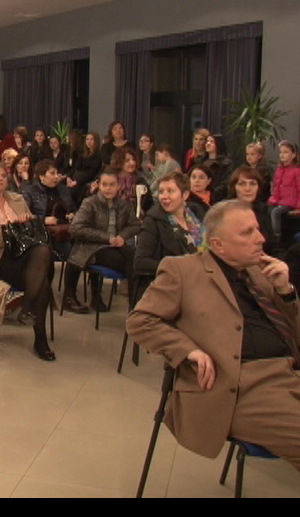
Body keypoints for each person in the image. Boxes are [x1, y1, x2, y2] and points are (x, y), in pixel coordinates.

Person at [127, 199, 300, 473]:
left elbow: (294, 334)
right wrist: (188, 350)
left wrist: (286, 292)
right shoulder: (183, 271)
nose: (261, 238)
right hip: (241, 385)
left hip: (289, 372)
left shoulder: (261, 271)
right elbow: (140, 320)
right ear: (218, 245)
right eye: (247, 232)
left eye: (257, 229)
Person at [0, 162, 57, 361]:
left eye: (3, 175)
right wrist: (9, 231)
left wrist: (27, 222)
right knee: (42, 279)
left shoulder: (17, 199)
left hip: (24, 255)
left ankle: (29, 312)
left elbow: (32, 231)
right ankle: (39, 338)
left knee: (42, 252)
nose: (1, 179)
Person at [65, 168, 142, 313]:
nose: (108, 188)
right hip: (92, 247)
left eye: (112, 185)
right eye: (104, 185)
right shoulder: (90, 203)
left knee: (136, 257)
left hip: (116, 245)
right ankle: (135, 307)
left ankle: (136, 305)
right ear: (99, 185)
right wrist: (107, 238)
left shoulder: (124, 205)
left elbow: (136, 225)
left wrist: (122, 236)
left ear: (118, 186)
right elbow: (75, 229)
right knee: (131, 263)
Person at [133, 172, 205, 305]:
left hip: (198, 283)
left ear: (185, 195)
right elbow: (140, 262)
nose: (164, 196)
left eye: (170, 191)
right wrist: (177, 267)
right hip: (166, 289)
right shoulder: (152, 221)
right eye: (161, 192)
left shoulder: (196, 214)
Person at [227, 166, 282, 257]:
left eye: (253, 184)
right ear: (234, 187)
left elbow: (274, 246)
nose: (247, 189)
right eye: (242, 184)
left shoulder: (263, 211)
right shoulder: (225, 212)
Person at [268, 140, 300, 243]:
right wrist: (273, 199)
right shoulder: (279, 169)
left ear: (293, 155)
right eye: (281, 152)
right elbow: (277, 187)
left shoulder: (296, 171)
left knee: (275, 212)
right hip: (279, 201)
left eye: (285, 152)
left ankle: (276, 237)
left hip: (290, 203)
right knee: (265, 209)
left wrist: (298, 207)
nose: (282, 154)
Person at [110, 146, 153, 218]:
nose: (132, 163)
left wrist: (144, 213)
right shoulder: (111, 181)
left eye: (133, 160)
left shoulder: (141, 182)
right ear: (119, 162)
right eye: (127, 161)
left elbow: (149, 205)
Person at [67, 131, 102, 204]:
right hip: (78, 179)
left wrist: (77, 181)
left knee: (74, 192)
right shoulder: (82, 154)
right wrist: (69, 178)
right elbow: (76, 168)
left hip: (88, 181)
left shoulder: (99, 155)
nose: (89, 142)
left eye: (91, 139)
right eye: (87, 139)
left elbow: (91, 172)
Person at [203, 133, 234, 198]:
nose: (208, 143)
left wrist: (214, 193)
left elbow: (226, 181)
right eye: (207, 141)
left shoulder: (226, 163)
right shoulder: (201, 161)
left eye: (211, 142)